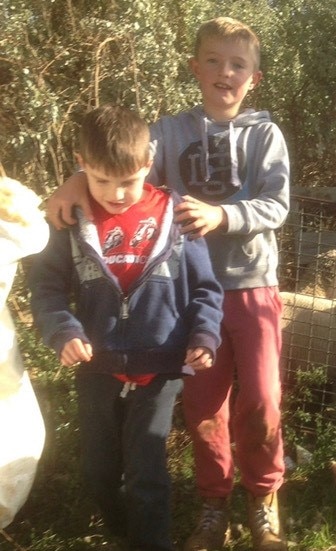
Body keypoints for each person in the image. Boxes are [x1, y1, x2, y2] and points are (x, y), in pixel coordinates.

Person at [45, 17, 291, 551]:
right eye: (213, 61)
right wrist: (70, 180)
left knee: (263, 399)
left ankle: (264, 494)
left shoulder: (264, 134)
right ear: (194, 68)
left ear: (255, 78)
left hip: (250, 284)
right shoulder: (168, 131)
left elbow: (277, 204)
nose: (225, 72)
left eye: (237, 64)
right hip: (181, 296)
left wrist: (223, 217)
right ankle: (213, 504)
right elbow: (117, 161)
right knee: (204, 406)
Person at [29, 105, 224, 551]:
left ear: (148, 162)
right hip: (96, 365)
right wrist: (63, 331)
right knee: (97, 470)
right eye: (101, 181)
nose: (116, 194)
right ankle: (120, 526)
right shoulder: (71, 221)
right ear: (81, 164)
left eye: (128, 181)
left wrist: (203, 335)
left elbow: (207, 290)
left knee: (146, 471)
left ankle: (150, 540)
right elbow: (46, 287)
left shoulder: (178, 218)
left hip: (160, 364)